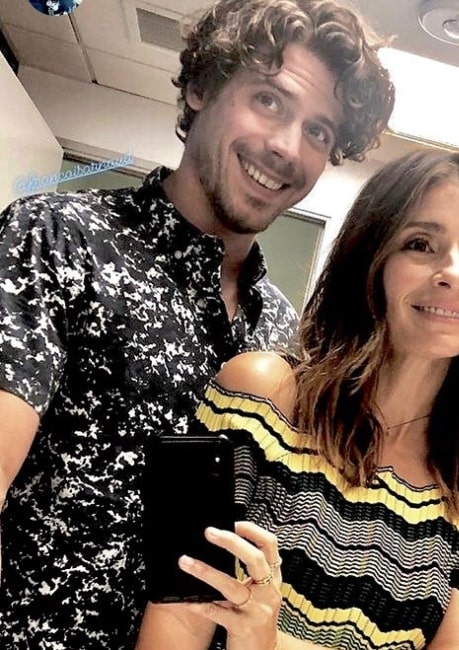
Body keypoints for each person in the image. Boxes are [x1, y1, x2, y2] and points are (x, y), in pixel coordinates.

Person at [0, 0, 394, 647]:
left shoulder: (284, 337)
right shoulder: (56, 239)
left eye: (319, 131)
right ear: (202, 85)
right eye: (269, 101)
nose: (287, 147)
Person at [136, 150, 459, 650]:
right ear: (372, 259)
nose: (454, 273)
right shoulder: (254, 393)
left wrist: (268, 643)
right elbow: (172, 627)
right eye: (420, 244)